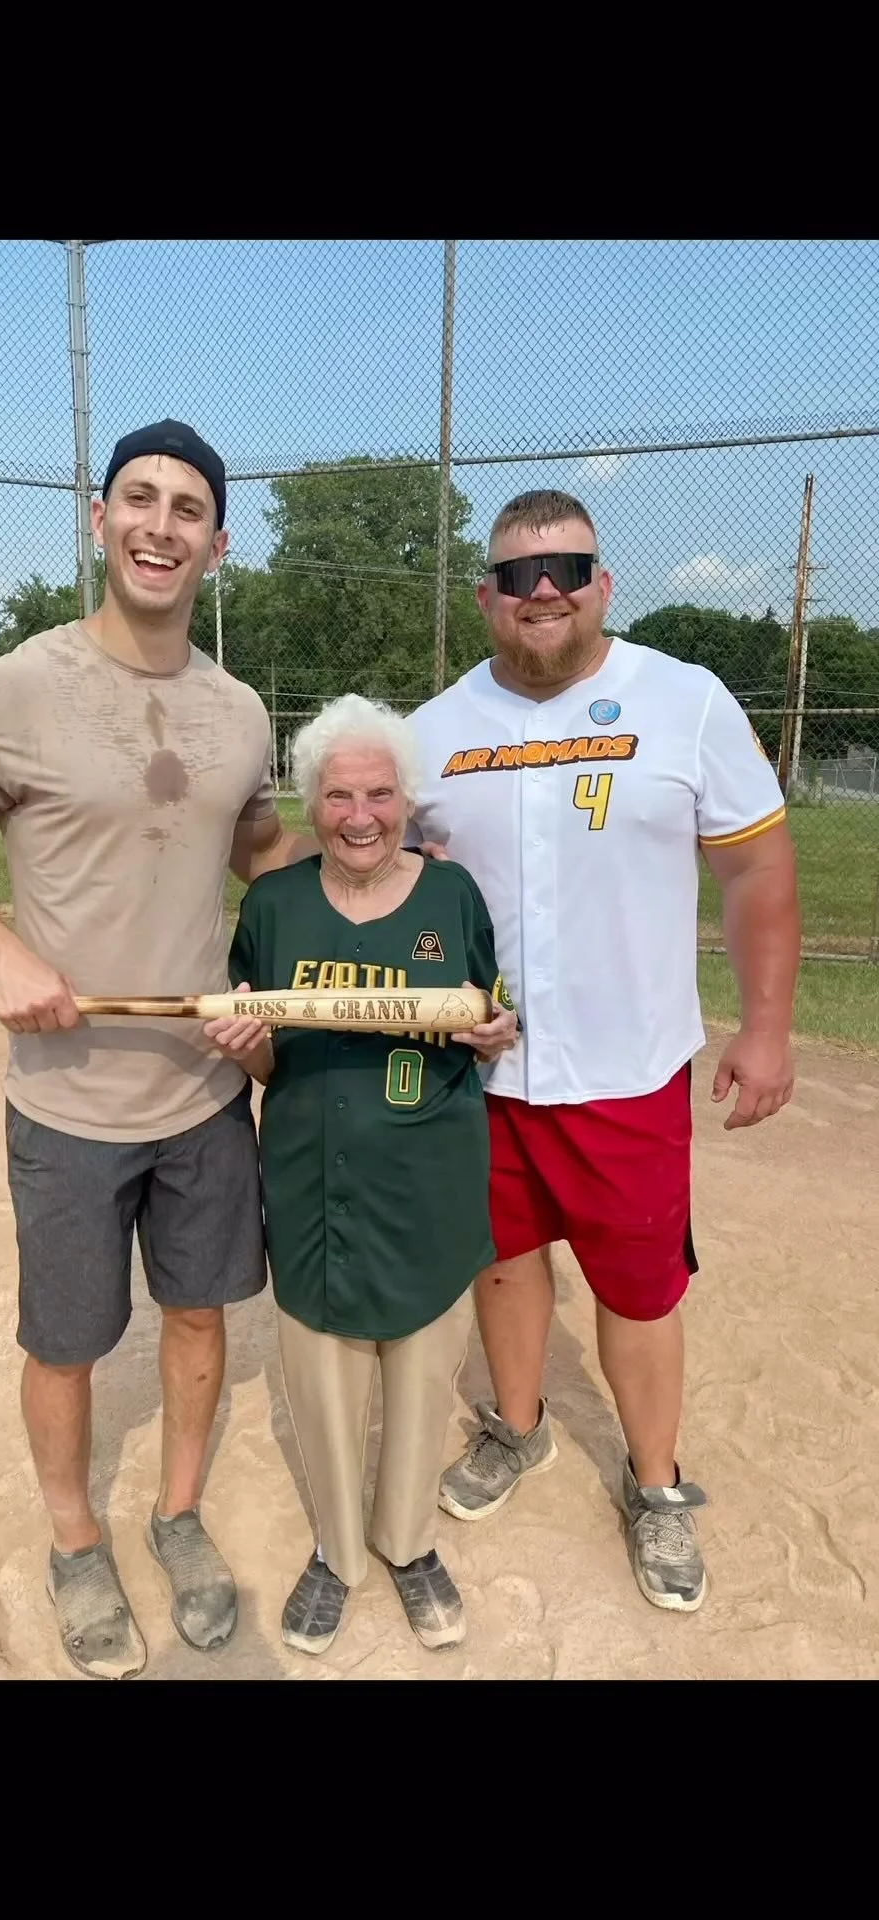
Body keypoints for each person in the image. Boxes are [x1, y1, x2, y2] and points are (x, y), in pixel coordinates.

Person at [0, 419, 316, 1679]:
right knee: (67, 1341)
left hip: (200, 1087)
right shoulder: (11, 687)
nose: (161, 526)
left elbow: (255, 846)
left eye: (189, 509)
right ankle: (77, 1536)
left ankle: (176, 1517)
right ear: (98, 517)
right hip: (67, 1100)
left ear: (218, 545)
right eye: (141, 499)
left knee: (196, 1319)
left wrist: (376, 875)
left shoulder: (239, 710)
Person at [407, 489, 800, 1613]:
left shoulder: (683, 700)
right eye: (518, 574)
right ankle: (517, 1429)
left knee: (638, 1291)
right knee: (505, 1261)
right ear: (483, 594)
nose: (544, 591)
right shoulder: (436, 728)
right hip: (481, 1072)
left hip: (629, 1072)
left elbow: (758, 871)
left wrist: (767, 1026)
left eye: (567, 568)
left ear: (601, 586)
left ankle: (658, 1483)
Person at [202, 694, 516, 1655]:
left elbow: (489, 1023)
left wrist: (499, 1033)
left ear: (406, 796)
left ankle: (409, 1543)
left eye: (380, 793)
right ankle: (338, 1551)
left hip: (430, 1176)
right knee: (326, 1377)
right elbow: (263, 1062)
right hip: (313, 1178)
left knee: (423, 1375)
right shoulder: (274, 905)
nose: (361, 815)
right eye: (339, 795)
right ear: (312, 801)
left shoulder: (452, 897)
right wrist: (245, 1046)